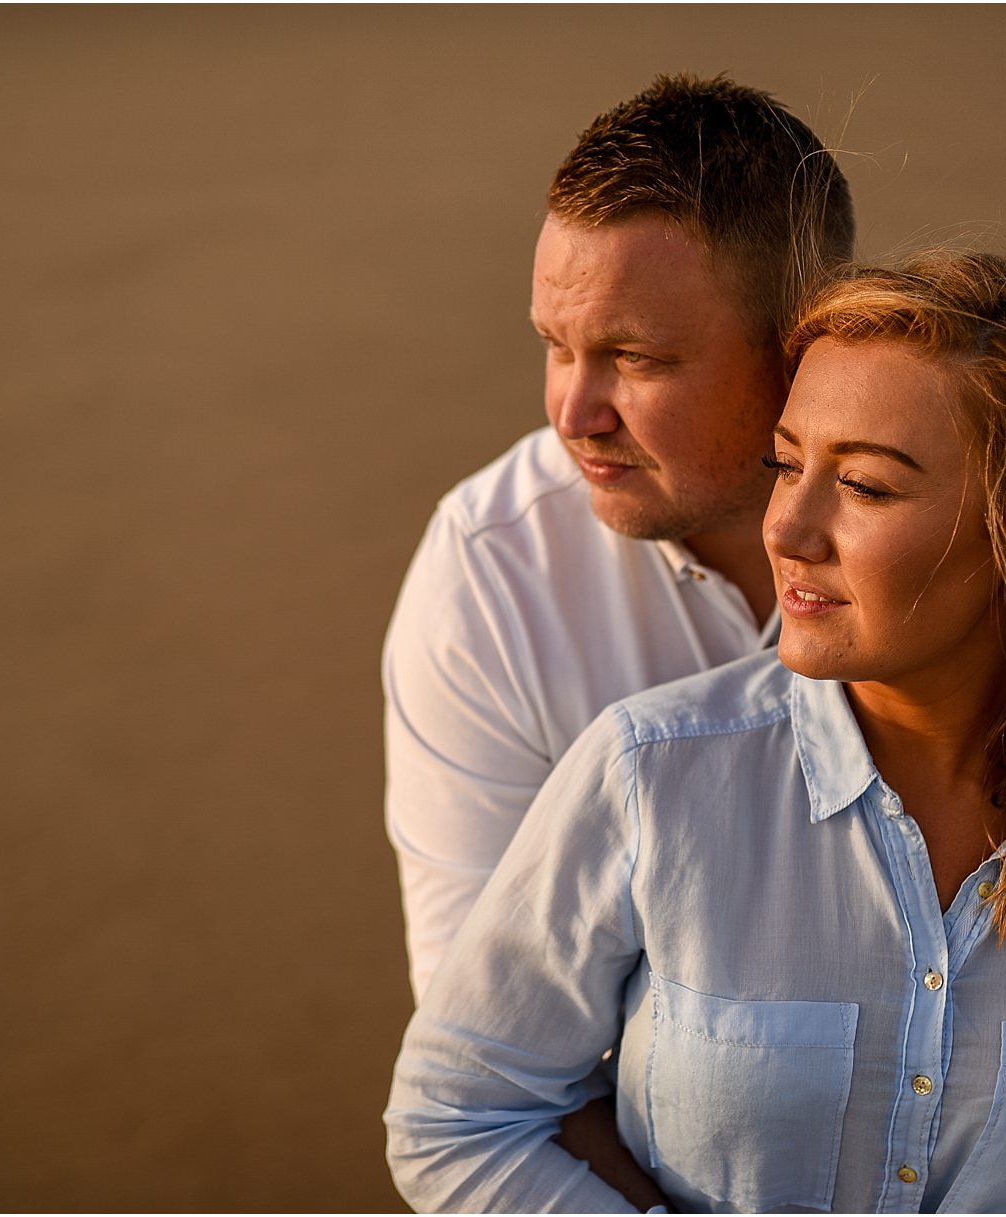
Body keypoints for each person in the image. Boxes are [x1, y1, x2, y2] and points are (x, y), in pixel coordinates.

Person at [384, 252, 1006, 1212]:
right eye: (787, 465)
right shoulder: (648, 776)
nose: (787, 528)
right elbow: (457, 1115)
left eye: (864, 485)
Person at [384, 73, 853, 999]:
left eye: (633, 358)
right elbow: (479, 1035)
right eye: (557, 346)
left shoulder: (989, 534)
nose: (572, 412)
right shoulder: (493, 570)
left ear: (800, 341)